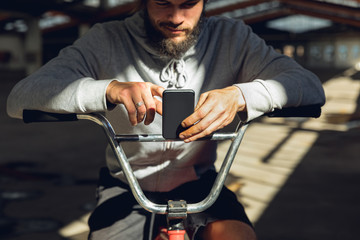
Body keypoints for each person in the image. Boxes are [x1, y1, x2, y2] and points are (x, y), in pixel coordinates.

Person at [7, 0, 326, 239]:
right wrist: (109, 89)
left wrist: (241, 96)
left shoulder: (232, 38)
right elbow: (21, 96)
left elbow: (309, 86)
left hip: (201, 182)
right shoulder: (105, 39)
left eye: (189, 4)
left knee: (237, 236)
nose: (175, 18)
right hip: (127, 185)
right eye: (163, 3)